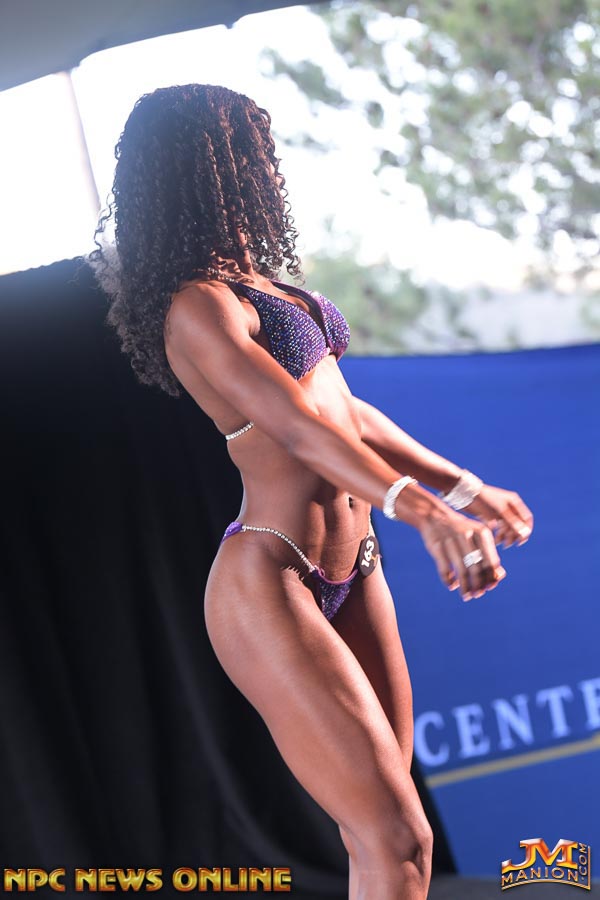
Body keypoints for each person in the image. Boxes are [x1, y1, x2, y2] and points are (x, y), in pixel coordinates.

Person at [89, 83, 533, 900]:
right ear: (200, 167)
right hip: (272, 579)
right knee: (394, 838)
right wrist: (422, 510)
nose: (266, 164)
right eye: (246, 147)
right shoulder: (198, 306)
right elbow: (296, 428)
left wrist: (464, 487)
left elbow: (346, 413)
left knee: (394, 841)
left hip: (355, 569)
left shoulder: (269, 287)